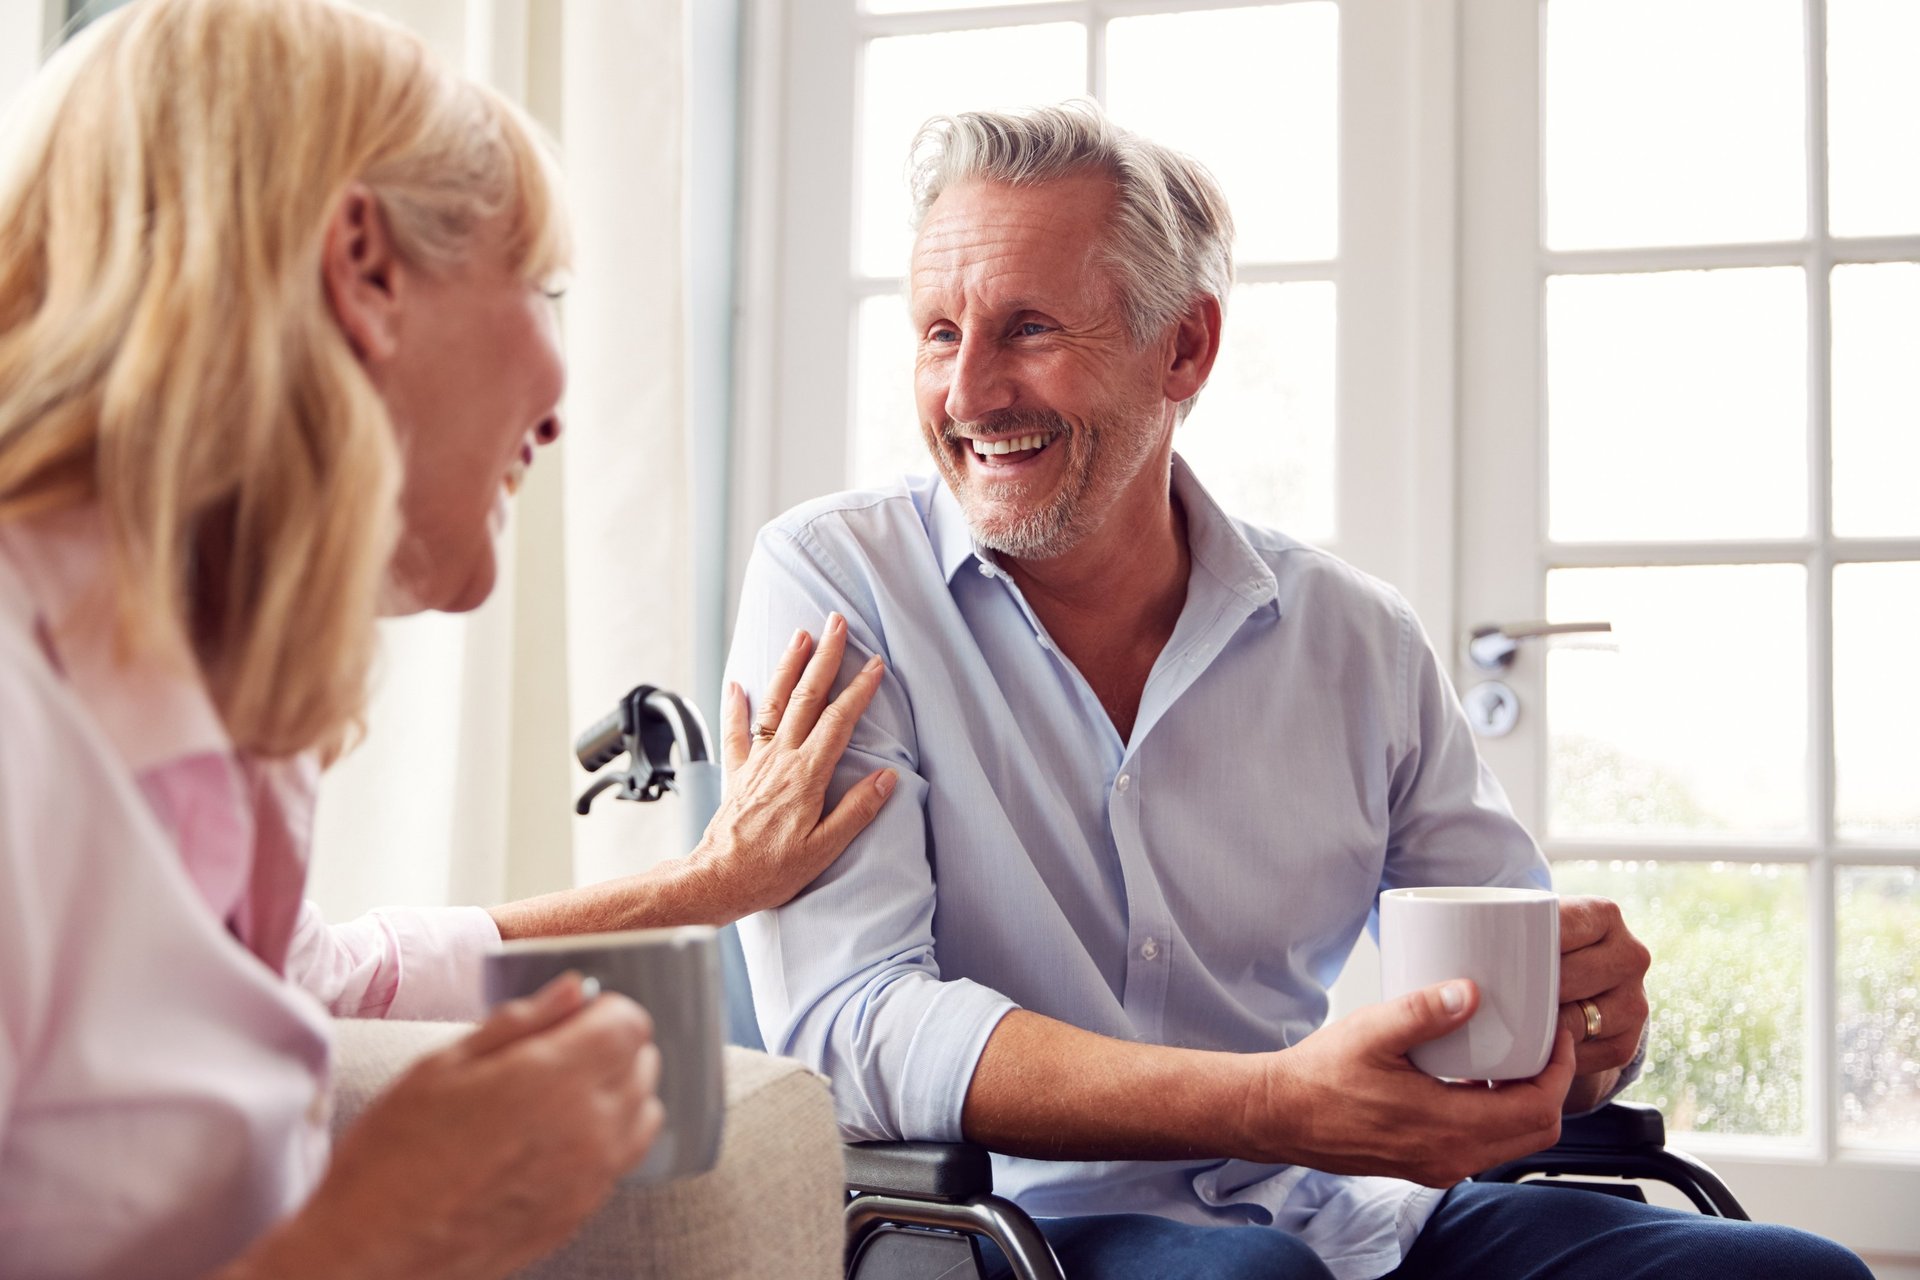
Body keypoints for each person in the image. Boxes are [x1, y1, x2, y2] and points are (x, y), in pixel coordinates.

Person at [724, 103, 1869, 1279]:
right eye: (937, 333)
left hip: (1341, 1208)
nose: (968, 391)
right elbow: (852, 1020)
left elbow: (1497, 985)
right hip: (1008, 1223)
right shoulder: (834, 583)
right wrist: (1268, 1099)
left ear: (1185, 348)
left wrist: (1589, 1028)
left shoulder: (1353, 635)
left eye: (1026, 328)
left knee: (1791, 1273)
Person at [0, 2, 894, 1276]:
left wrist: (700, 891)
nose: (565, 399)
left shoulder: (204, 718)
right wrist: (380, 1226)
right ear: (362, 268)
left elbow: (338, 978)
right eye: (542, 290)